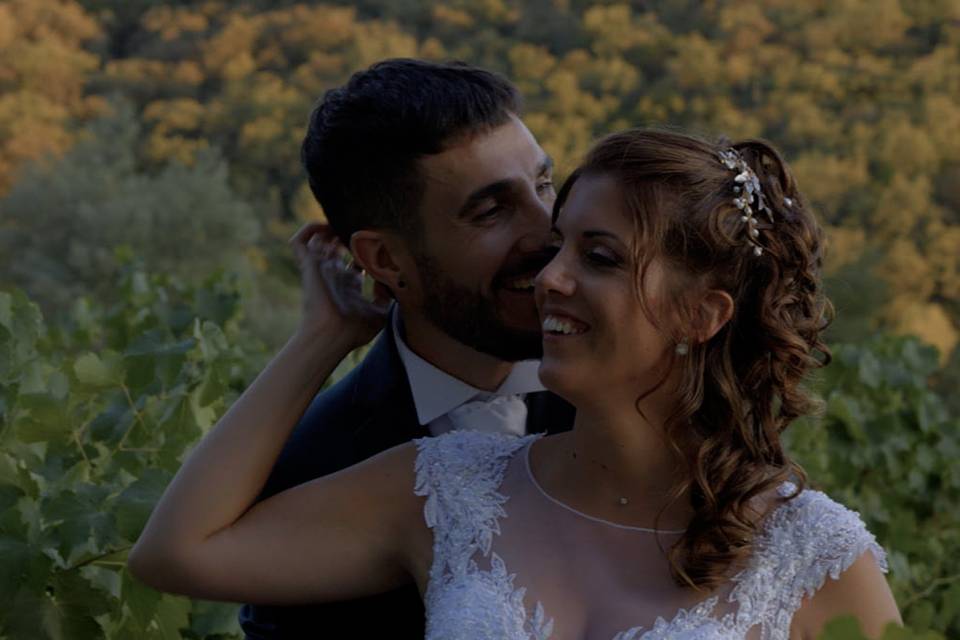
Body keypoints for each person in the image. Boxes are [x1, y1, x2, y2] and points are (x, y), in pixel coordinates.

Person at [129, 127, 902, 639]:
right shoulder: (445, 492)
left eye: (597, 258)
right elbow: (177, 552)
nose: (548, 278)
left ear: (700, 314)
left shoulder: (816, 554)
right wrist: (321, 339)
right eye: (558, 245)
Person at [246, 58, 574, 637]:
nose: (549, 230)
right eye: (492, 210)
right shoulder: (311, 470)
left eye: (544, 184)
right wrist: (324, 335)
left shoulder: (643, 392)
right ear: (387, 260)